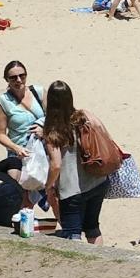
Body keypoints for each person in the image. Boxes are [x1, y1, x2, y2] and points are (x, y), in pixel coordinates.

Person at [42, 81, 110, 243]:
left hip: (72, 191)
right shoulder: (83, 116)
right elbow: (104, 132)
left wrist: (48, 185)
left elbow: (56, 164)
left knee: (73, 233)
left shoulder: (52, 130)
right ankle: (98, 263)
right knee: (93, 228)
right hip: (97, 181)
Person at [0, 61, 46, 205]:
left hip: (43, 151)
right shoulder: (2, 102)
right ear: (6, 80)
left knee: (54, 195)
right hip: (19, 154)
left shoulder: (39, 92)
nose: (18, 80)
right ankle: (24, 226)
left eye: (22, 75)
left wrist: (44, 129)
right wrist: (16, 148)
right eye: (13, 77)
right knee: (22, 198)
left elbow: (54, 117)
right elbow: (0, 134)